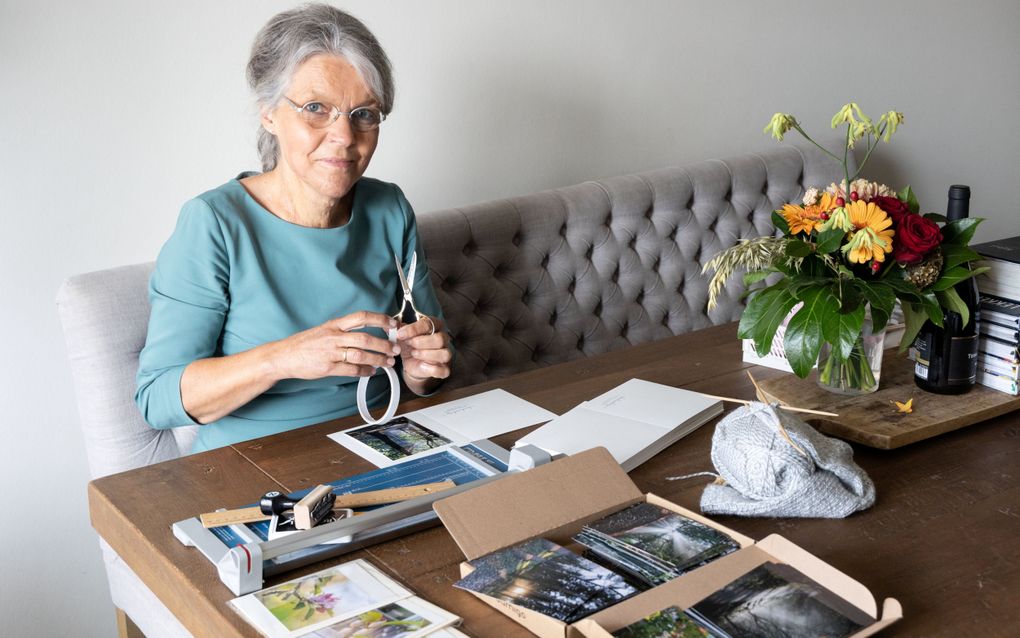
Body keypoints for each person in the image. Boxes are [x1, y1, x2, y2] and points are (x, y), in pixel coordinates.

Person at [135, 4, 452, 452]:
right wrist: (284, 358)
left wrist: (422, 370)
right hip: (258, 462)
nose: (344, 136)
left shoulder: (390, 208)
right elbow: (156, 397)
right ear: (269, 113)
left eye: (364, 113)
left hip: (385, 443)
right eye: (316, 108)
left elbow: (426, 365)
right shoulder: (214, 224)